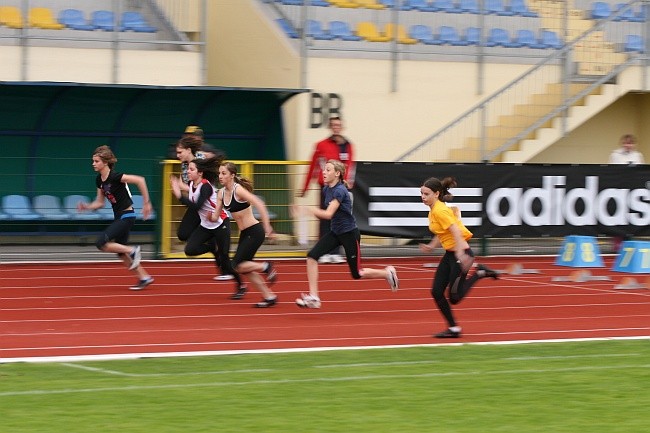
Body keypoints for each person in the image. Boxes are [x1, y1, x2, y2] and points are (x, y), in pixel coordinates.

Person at [292, 159, 399, 309]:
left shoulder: (340, 191)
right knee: (312, 256)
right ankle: (314, 297)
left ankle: (387, 273)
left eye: (328, 170)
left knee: (357, 273)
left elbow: (328, 214)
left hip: (349, 234)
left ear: (337, 173)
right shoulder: (326, 189)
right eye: (324, 169)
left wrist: (307, 210)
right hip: (336, 232)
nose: (324, 172)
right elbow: (329, 214)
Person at [418, 176, 498, 338]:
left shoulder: (440, 210)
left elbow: (455, 229)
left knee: (454, 297)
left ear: (436, 194)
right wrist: (432, 246)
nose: (423, 197)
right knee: (436, 292)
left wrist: (461, 252)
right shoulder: (434, 210)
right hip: (450, 255)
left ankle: (480, 273)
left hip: (461, 254)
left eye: (426, 194)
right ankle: (453, 328)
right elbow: (443, 232)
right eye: (422, 193)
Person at [77, 145, 154, 291]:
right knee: (120, 252)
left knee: (101, 243)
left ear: (105, 162)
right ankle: (144, 277)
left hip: (127, 215)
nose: (93, 164)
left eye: (96, 161)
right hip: (119, 217)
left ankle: (133, 249)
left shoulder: (115, 176)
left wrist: (146, 203)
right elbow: (99, 203)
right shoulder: (99, 180)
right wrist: (86, 206)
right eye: (93, 161)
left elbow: (140, 180)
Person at [170, 156, 247, 300]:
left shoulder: (205, 186)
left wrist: (179, 195)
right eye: (188, 169)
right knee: (190, 250)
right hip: (206, 226)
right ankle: (212, 248)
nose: (188, 172)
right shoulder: (192, 185)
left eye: (192, 170)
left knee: (225, 260)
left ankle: (241, 285)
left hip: (220, 224)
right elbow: (193, 200)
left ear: (200, 173)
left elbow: (196, 206)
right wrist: (180, 187)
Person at [208, 161, 279, 308]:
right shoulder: (220, 193)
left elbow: (260, 204)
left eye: (224, 173)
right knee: (246, 268)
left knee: (236, 266)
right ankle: (269, 296)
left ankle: (266, 267)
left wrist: (267, 226)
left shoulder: (238, 190)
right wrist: (210, 217)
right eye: (219, 173)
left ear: (232, 175)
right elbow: (216, 216)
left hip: (254, 231)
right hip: (245, 233)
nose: (220, 176)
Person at [174, 136, 233, 281]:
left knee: (221, 247)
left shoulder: (200, 159)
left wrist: (180, 189)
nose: (177, 155)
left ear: (189, 150)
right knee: (182, 234)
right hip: (197, 205)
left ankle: (224, 268)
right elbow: (190, 187)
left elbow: (203, 181)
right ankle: (209, 243)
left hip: (208, 204)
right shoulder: (184, 166)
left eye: (180, 152)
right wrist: (184, 187)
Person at [299, 117, 355, 264]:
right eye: (334, 125)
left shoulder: (348, 145)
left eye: (338, 125)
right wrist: (305, 186)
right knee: (324, 219)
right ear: (331, 127)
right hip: (325, 187)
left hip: (340, 187)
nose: (336, 127)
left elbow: (350, 164)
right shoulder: (321, 145)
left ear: (342, 127)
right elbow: (313, 166)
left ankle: (336, 252)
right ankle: (323, 251)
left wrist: (348, 182)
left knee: (340, 220)